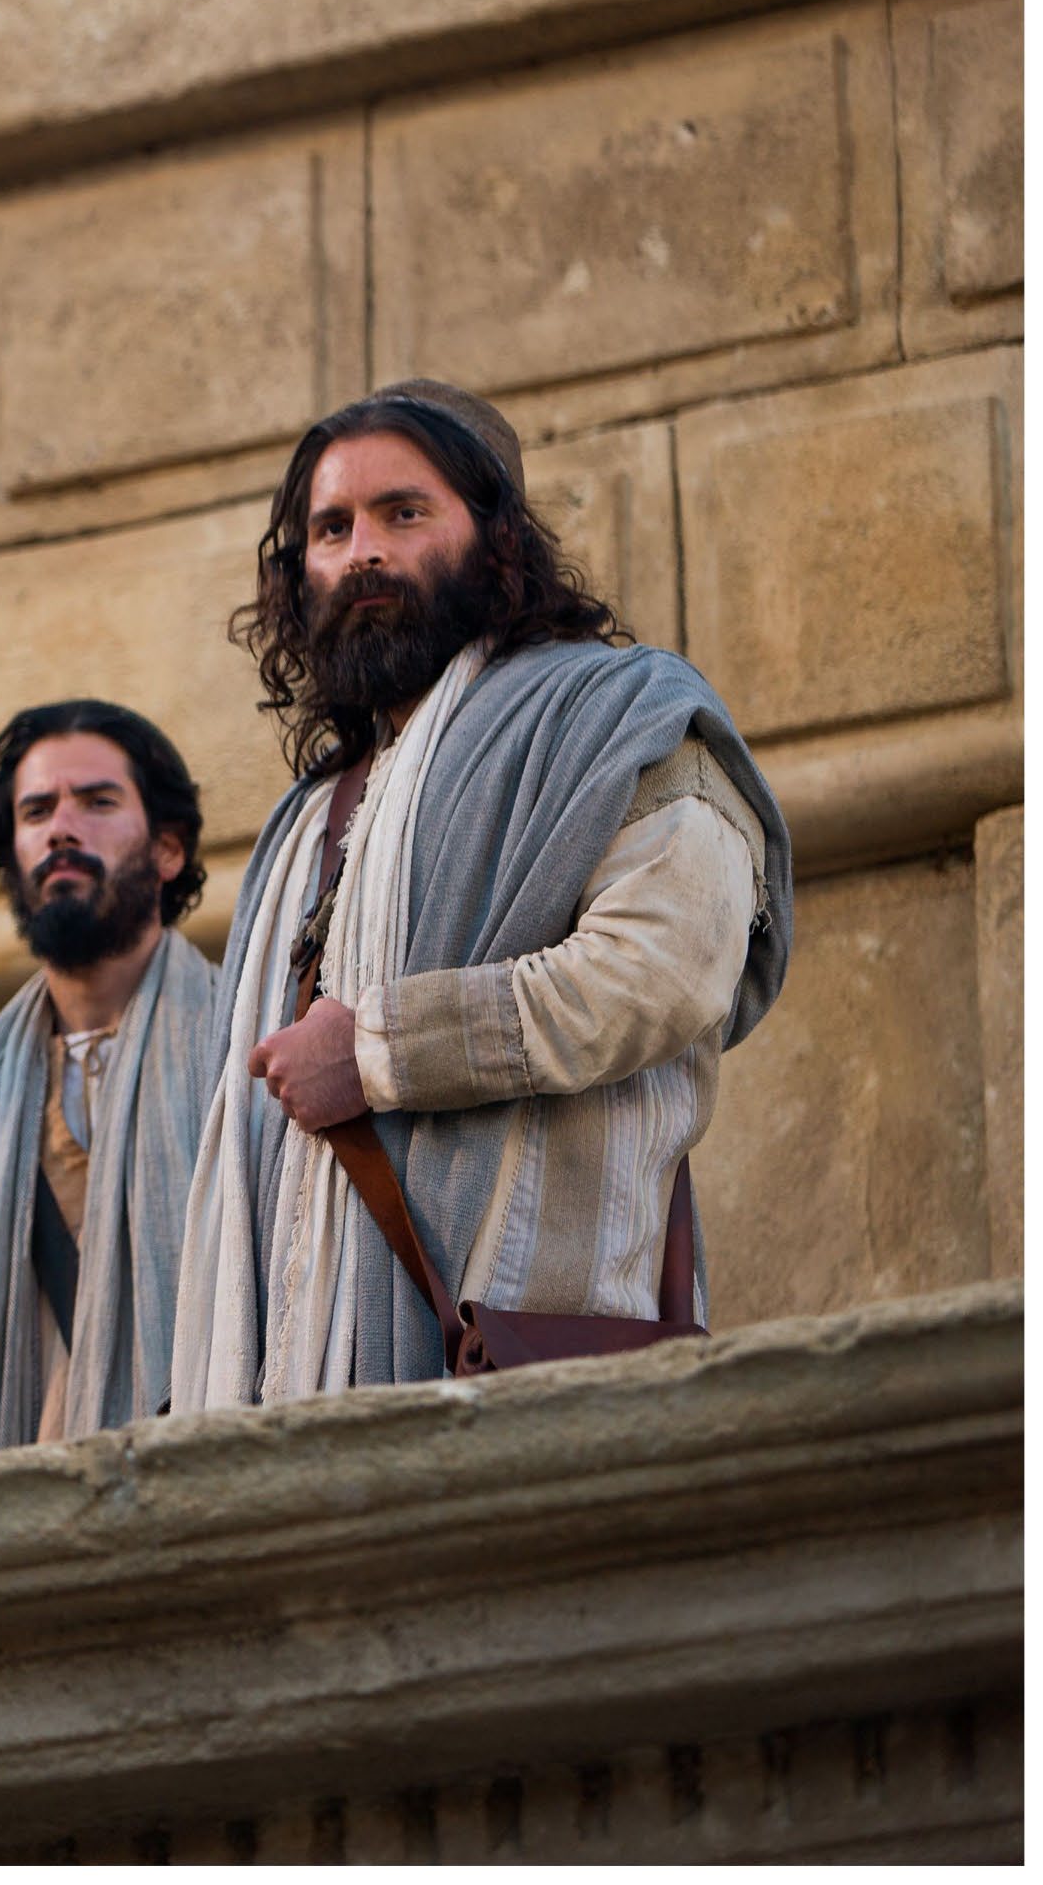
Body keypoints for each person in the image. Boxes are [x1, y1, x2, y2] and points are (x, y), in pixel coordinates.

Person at [173, 381, 794, 1410]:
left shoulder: (623, 713)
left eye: (403, 513)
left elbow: (658, 973)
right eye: (331, 528)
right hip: (285, 1405)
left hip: (529, 1370)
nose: (362, 549)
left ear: (495, 538)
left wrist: (375, 1051)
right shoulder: (303, 822)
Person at [0, 700, 216, 1452]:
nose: (61, 829)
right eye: (36, 811)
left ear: (167, 850)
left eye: (97, 802)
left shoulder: (253, 1070)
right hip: (19, 1521)